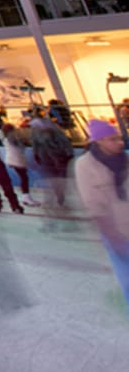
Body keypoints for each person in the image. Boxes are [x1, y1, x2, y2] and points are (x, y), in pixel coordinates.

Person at [72, 119, 129, 306]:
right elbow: (93, 204)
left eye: (119, 138)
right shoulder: (85, 165)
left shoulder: (126, 160)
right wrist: (112, 235)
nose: (120, 142)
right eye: (113, 139)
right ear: (99, 141)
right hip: (116, 231)